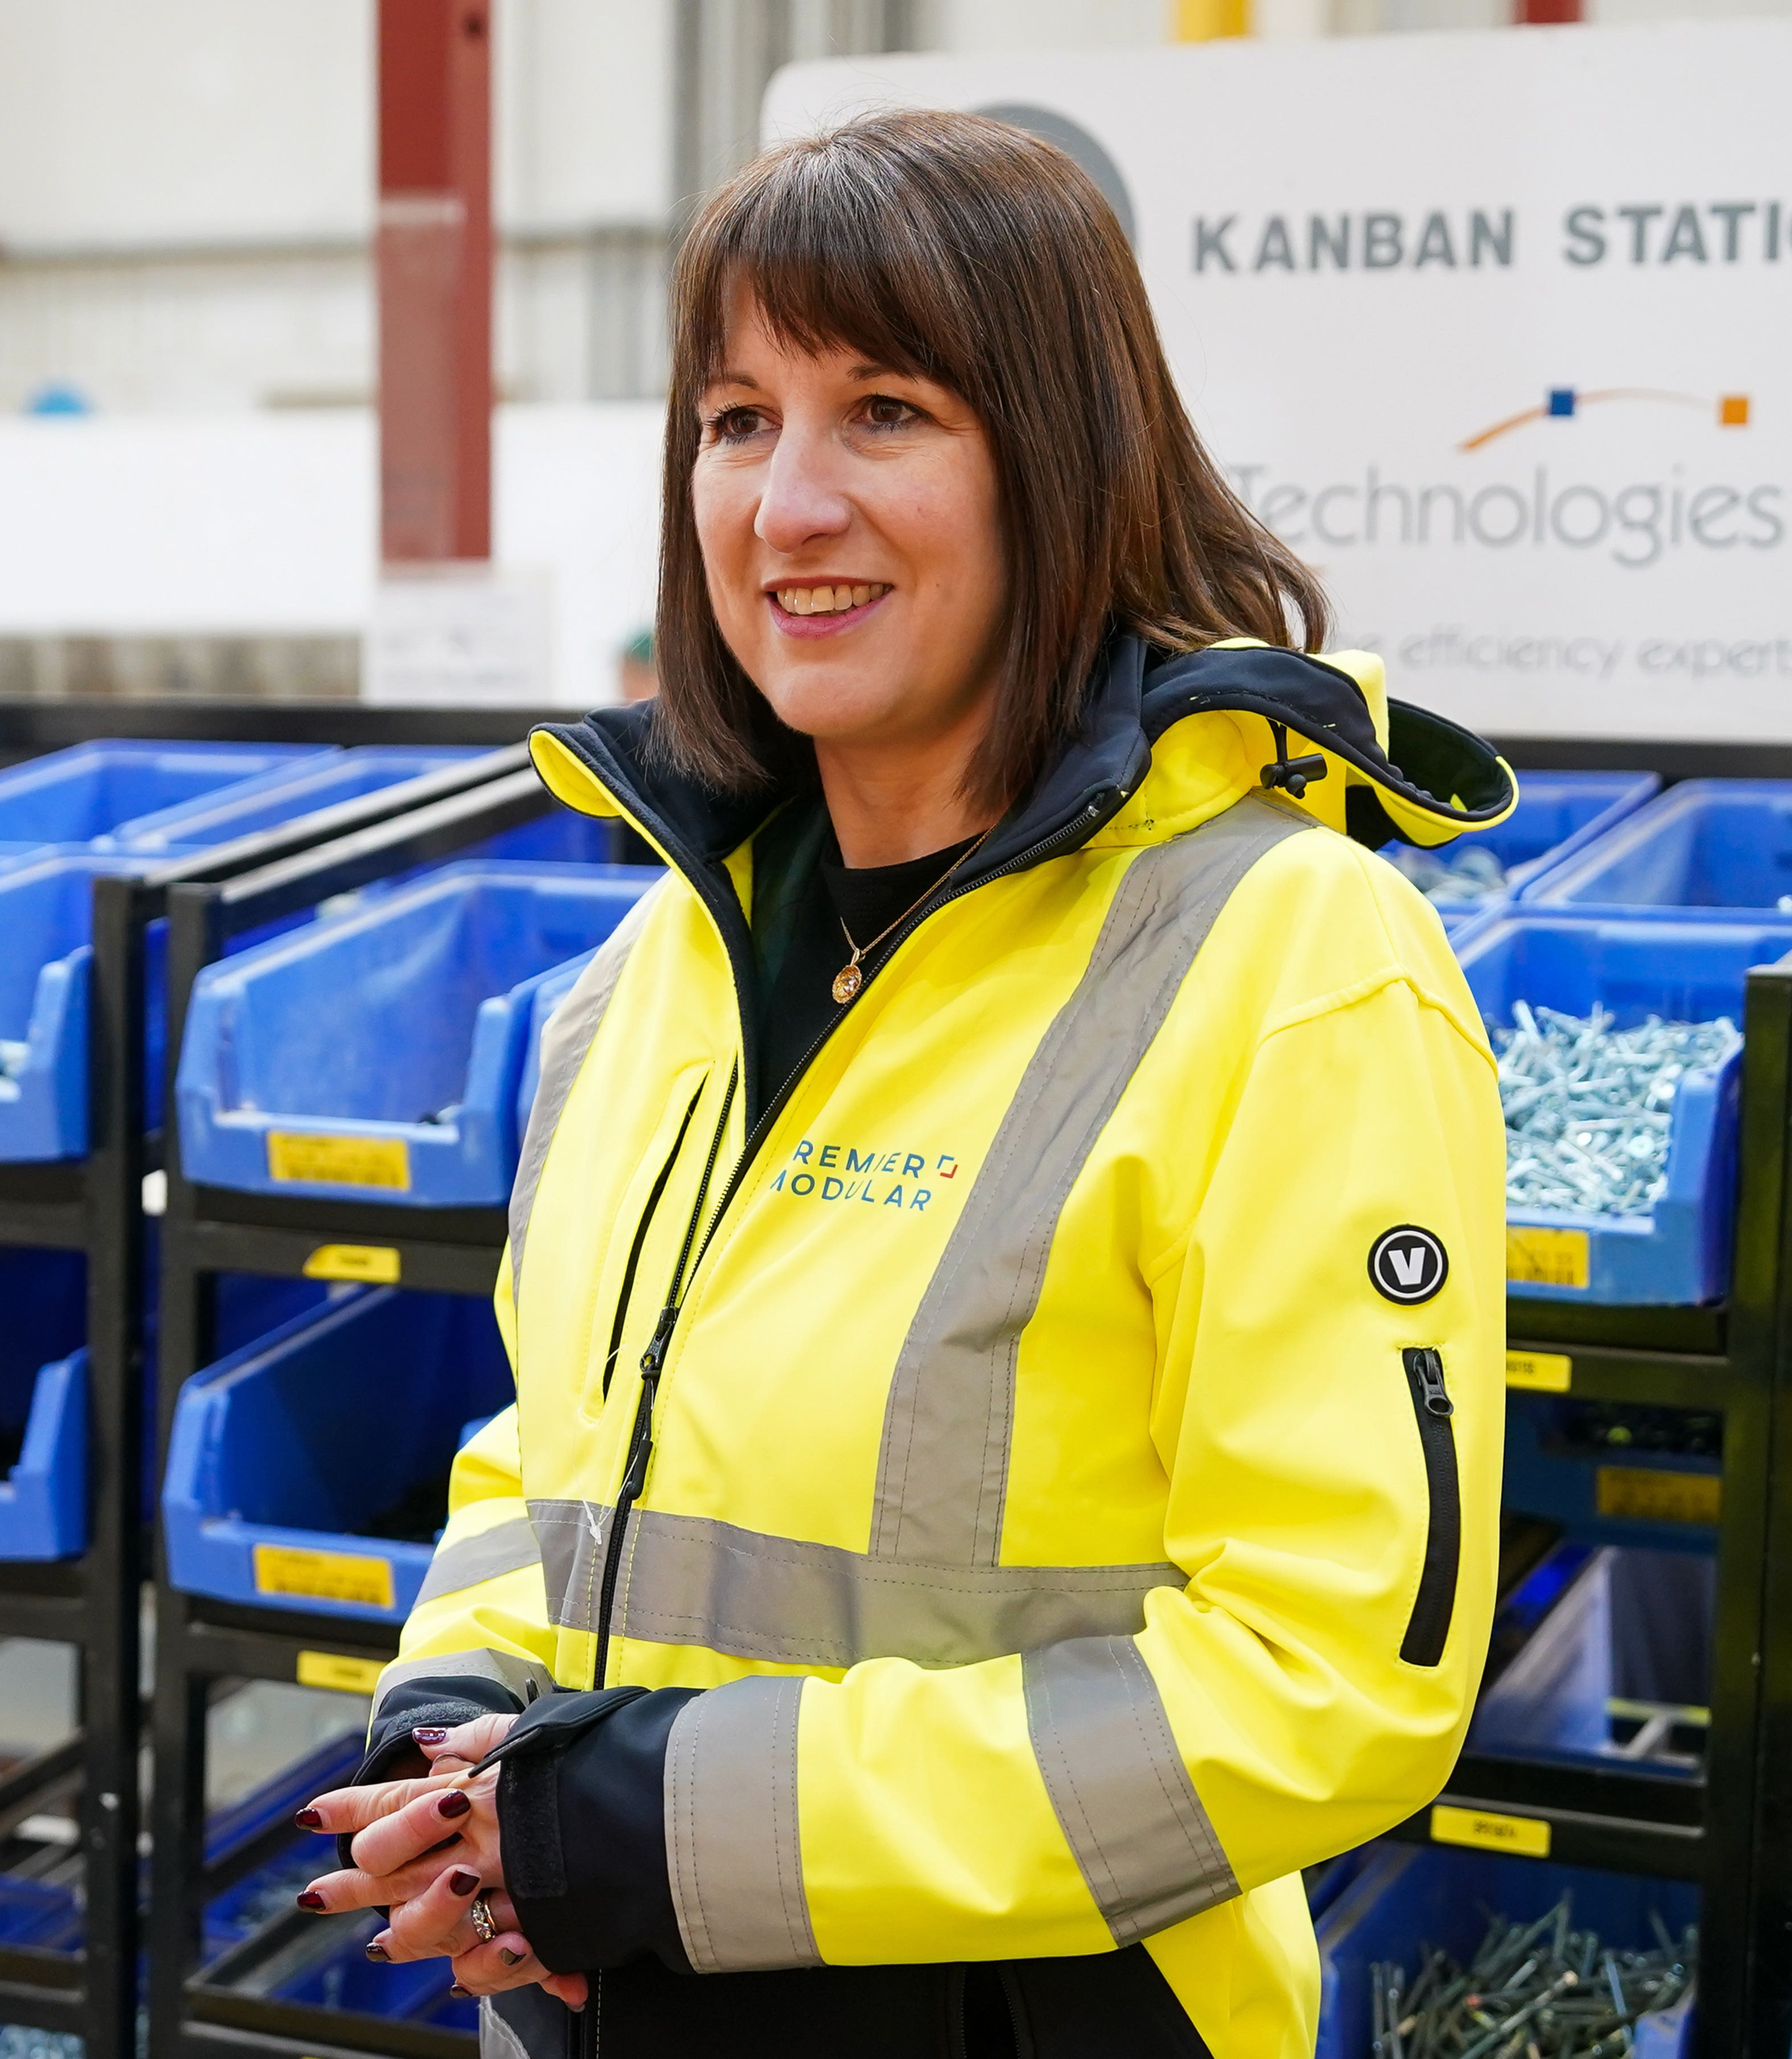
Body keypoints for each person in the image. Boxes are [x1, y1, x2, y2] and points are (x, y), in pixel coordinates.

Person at [295, 109, 1510, 2058]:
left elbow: (1328, 1678)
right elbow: (560, 1446)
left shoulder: (1290, 963)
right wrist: (460, 1725)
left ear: (1065, 463)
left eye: (884, 413)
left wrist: (650, 1822)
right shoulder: (656, 971)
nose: (786, 507)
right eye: (735, 420)